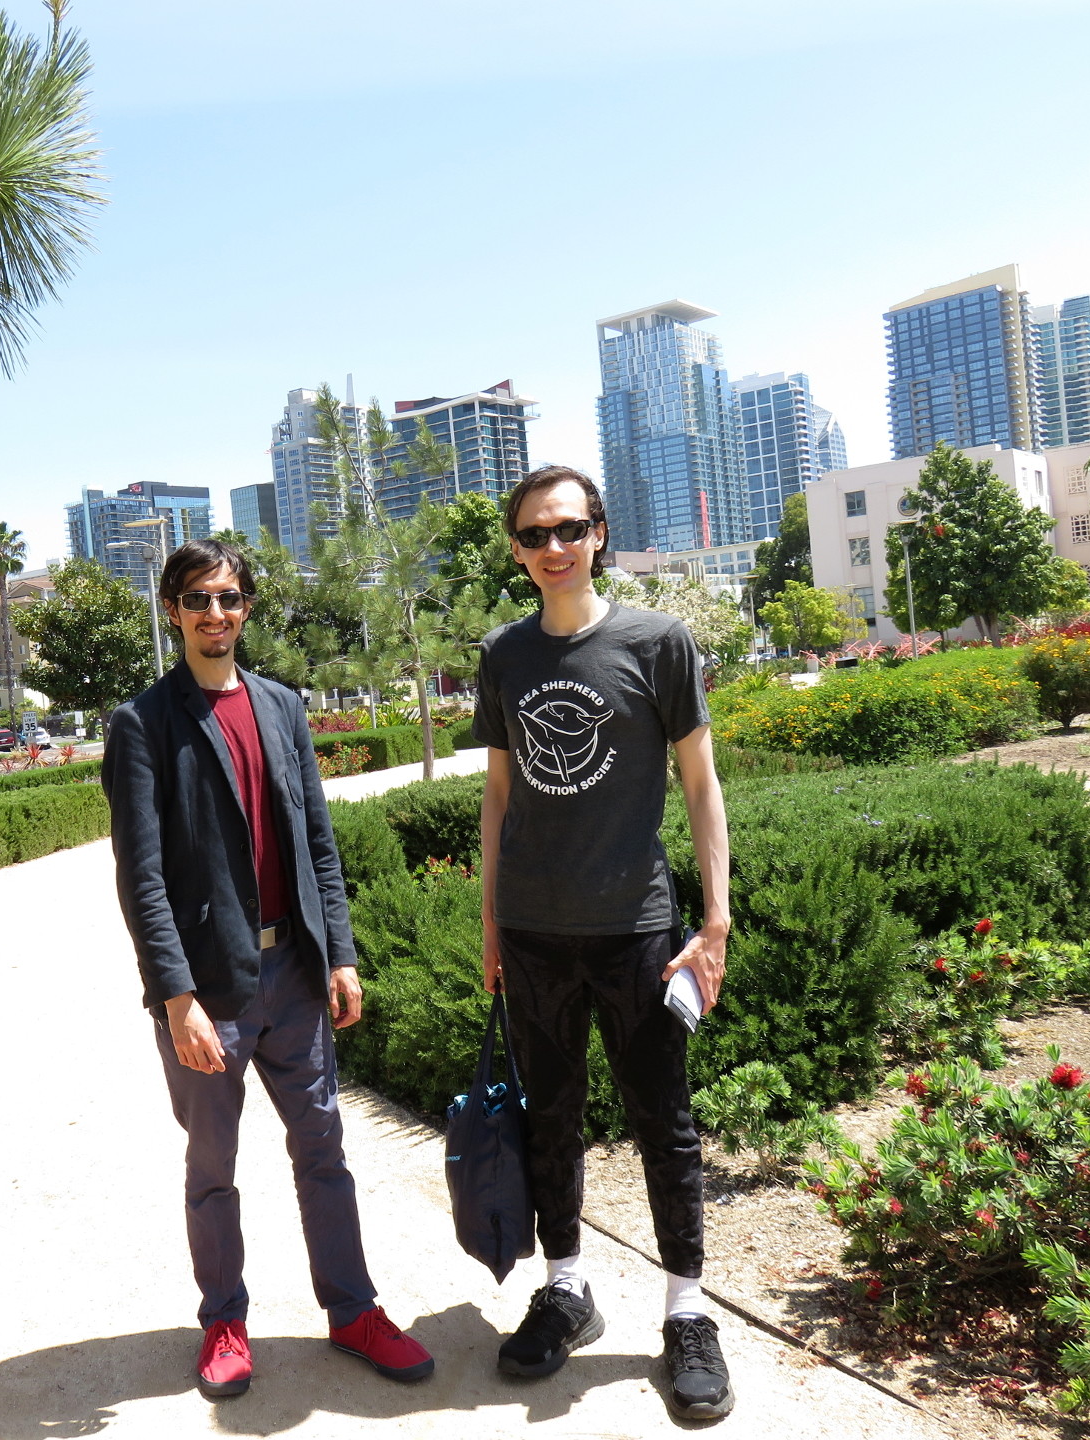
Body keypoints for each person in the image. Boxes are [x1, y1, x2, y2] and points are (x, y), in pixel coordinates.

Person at [102, 537, 435, 1400]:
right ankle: (224, 1319)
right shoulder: (143, 723)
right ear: (172, 610)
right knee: (213, 1166)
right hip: (209, 989)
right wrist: (176, 999)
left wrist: (341, 954)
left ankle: (353, 1310)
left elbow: (317, 841)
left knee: (324, 1149)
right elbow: (141, 878)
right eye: (197, 599)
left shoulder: (282, 706)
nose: (215, 613)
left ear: (246, 607)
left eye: (228, 597)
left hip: (295, 973)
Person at [471, 465, 736, 1421]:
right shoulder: (504, 655)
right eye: (535, 534)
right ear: (516, 550)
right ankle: (567, 1288)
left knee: (663, 1121)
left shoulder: (658, 642)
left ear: (599, 534)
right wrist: (491, 922)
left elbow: (701, 783)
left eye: (569, 529)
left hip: (638, 932)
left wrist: (715, 920)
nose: (554, 548)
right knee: (551, 1117)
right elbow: (499, 793)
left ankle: (687, 1311)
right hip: (534, 933)